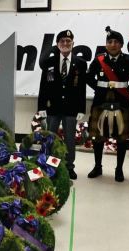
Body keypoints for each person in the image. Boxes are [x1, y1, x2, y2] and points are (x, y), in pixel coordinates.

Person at [86, 26, 129, 182]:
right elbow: (89, 78)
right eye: (109, 42)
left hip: (121, 101)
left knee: (122, 137)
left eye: (116, 42)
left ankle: (119, 169)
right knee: (97, 136)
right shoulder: (98, 60)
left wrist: (128, 90)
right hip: (101, 101)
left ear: (121, 45)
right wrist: (98, 88)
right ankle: (98, 166)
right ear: (106, 45)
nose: (112, 45)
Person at [37, 29, 87, 180]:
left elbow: (82, 87)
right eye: (62, 41)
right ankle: (51, 167)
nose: (65, 44)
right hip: (53, 107)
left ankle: (69, 167)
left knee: (70, 139)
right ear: (57, 45)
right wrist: (41, 107)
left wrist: (81, 108)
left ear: (73, 44)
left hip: (71, 108)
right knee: (51, 138)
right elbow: (43, 85)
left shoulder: (81, 63)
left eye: (68, 41)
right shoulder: (48, 62)